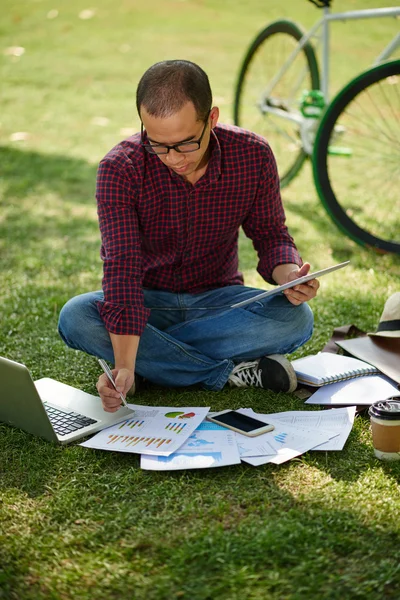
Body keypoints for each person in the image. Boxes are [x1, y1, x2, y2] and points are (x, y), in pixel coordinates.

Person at [58, 59, 319, 413]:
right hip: (149, 305)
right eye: (158, 145)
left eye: (185, 144)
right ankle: (223, 372)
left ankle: (156, 361)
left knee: (296, 318)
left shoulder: (253, 155)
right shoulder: (120, 168)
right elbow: (122, 271)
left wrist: (289, 276)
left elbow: (271, 235)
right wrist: (125, 367)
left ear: (211, 119)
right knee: (76, 316)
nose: (173, 159)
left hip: (220, 302)